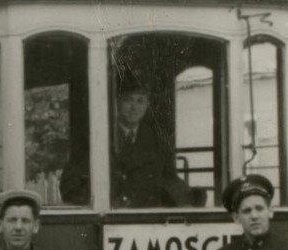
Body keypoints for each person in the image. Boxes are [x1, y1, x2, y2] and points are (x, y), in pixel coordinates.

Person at [59, 82, 203, 207]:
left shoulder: (156, 143)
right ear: (117, 103)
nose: (134, 107)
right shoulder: (96, 139)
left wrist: (190, 197)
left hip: (144, 223)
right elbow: (69, 185)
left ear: (147, 105)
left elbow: (169, 180)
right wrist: (94, 204)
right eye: (129, 100)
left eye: (140, 101)